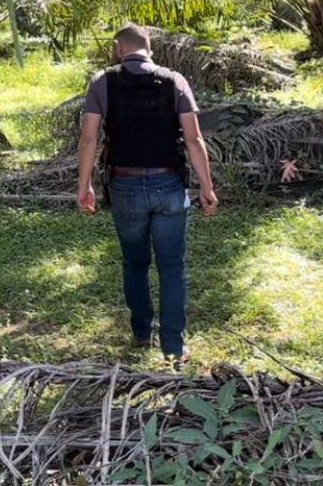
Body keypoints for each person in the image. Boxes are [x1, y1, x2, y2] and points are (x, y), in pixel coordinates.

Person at [76, 23, 217, 367]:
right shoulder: (175, 81)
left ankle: (142, 331)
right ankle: (174, 346)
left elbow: (89, 138)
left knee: (134, 263)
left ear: (118, 48)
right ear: (149, 49)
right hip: (169, 186)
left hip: (124, 187)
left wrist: (84, 185)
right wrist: (207, 187)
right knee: (172, 267)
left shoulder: (101, 81)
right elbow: (194, 139)